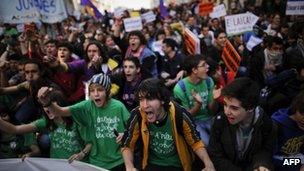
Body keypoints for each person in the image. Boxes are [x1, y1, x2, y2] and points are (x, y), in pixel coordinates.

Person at [37, 73, 130, 170]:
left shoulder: (118, 106)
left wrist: (125, 134)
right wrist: (47, 102)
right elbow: (60, 111)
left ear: (107, 91)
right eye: (92, 91)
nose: (96, 94)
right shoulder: (86, 106)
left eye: (100, 90)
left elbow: (133, 127)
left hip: (119, 161)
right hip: (96, 163)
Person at [121, 78, 215, 171]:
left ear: (162, 99)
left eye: (150, 99)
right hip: (150, 165)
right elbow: (127, 144)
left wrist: (208, 164)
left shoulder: (180, 114)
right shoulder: (138, 115)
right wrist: (129, 167)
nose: (145, 105)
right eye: (141, 99)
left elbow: (196, 143)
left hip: (177, 166)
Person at [0, 90, 91, 162]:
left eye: (50, 104)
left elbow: (90, 143)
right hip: (56, 166)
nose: (47, 108)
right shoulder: (45, 122)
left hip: (78, 165)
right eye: (44, 105)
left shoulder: (77, 120)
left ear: (60, 105)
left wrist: (82, 154)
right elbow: (15, 129)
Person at [208, 77, 275, 171]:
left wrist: (261, 164)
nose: (227, 112)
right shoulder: (219, 122)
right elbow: (215, 155)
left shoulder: (266, 124)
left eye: (234, 108)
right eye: (225, 104)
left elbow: (265, 150)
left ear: (250, 108)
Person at [173, 54, 217, 145]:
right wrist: (198, 104)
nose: (208, 67)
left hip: (209, 118)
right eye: (204, 65)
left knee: (221, 141)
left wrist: (215, 99)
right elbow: (186, 117)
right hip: (194, 122)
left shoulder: (209, 81)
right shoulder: (180, 88)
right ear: (194, 70)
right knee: (207, 144)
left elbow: (212, 110)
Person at [272, 91, 304, 171]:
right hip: (280, 160)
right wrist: (298, 165)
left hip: (297, 157)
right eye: (302, 113)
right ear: (295, 108)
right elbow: (270, 158)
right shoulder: (277, 125)